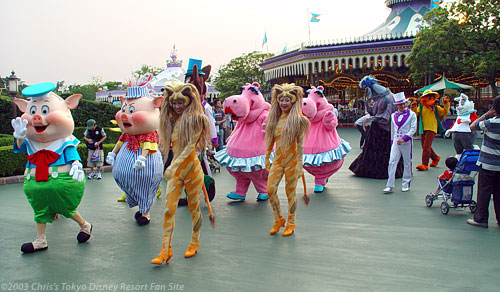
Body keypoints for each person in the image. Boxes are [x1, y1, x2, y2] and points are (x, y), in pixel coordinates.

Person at [151, 83, 211, 265]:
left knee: (194, 209)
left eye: (180, 102)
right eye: (174, 103)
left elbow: (190, 147)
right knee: (169, 210)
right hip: (177, 172)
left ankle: (194, 241)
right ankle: (165, 249)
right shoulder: (170, 120)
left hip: (191, 169)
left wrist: (171, 166)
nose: (177, 106)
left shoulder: (198, 120)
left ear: (188, 101)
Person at [265, 83, 309, 236]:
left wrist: (299, 164)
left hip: (292, 161)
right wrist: (266, 158)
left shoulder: (298, 120)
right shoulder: (274, 119)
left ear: (293, 101)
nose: (283, 103)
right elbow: (270, 141)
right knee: (270, 190)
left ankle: (291, 222)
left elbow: (300, 144)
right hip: (277, 160)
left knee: (290, 192)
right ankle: (278, 219)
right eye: (281, 100)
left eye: (287, 100)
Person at [349, 76, 402, 179]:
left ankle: (385, 171)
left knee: (383, 151)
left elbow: (384, 117)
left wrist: (371, 119)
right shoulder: (380, 98)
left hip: (384, 131)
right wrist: (368, 105)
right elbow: (373, 112)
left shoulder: (388, 98)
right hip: (377, 129)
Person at [466, 96, 500, 228]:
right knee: (499, 192)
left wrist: (486, 115)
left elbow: (472, 126)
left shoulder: (490, 123)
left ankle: (481, 218)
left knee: (484, 191)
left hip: (488, 163)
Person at [383, 92, 417, 194]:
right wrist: (392, 142)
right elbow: (393, 130)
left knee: (407, 162)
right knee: (392, 161)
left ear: (406, 104)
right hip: (396, 142)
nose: (401, 106)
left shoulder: (412, 114)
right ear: (397, 105)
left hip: (406, 143)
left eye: (403, 104)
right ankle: (389, 185)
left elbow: (413, 129)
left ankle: (406, 183)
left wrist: (405, 138)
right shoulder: (394, 115)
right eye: (399, 104)